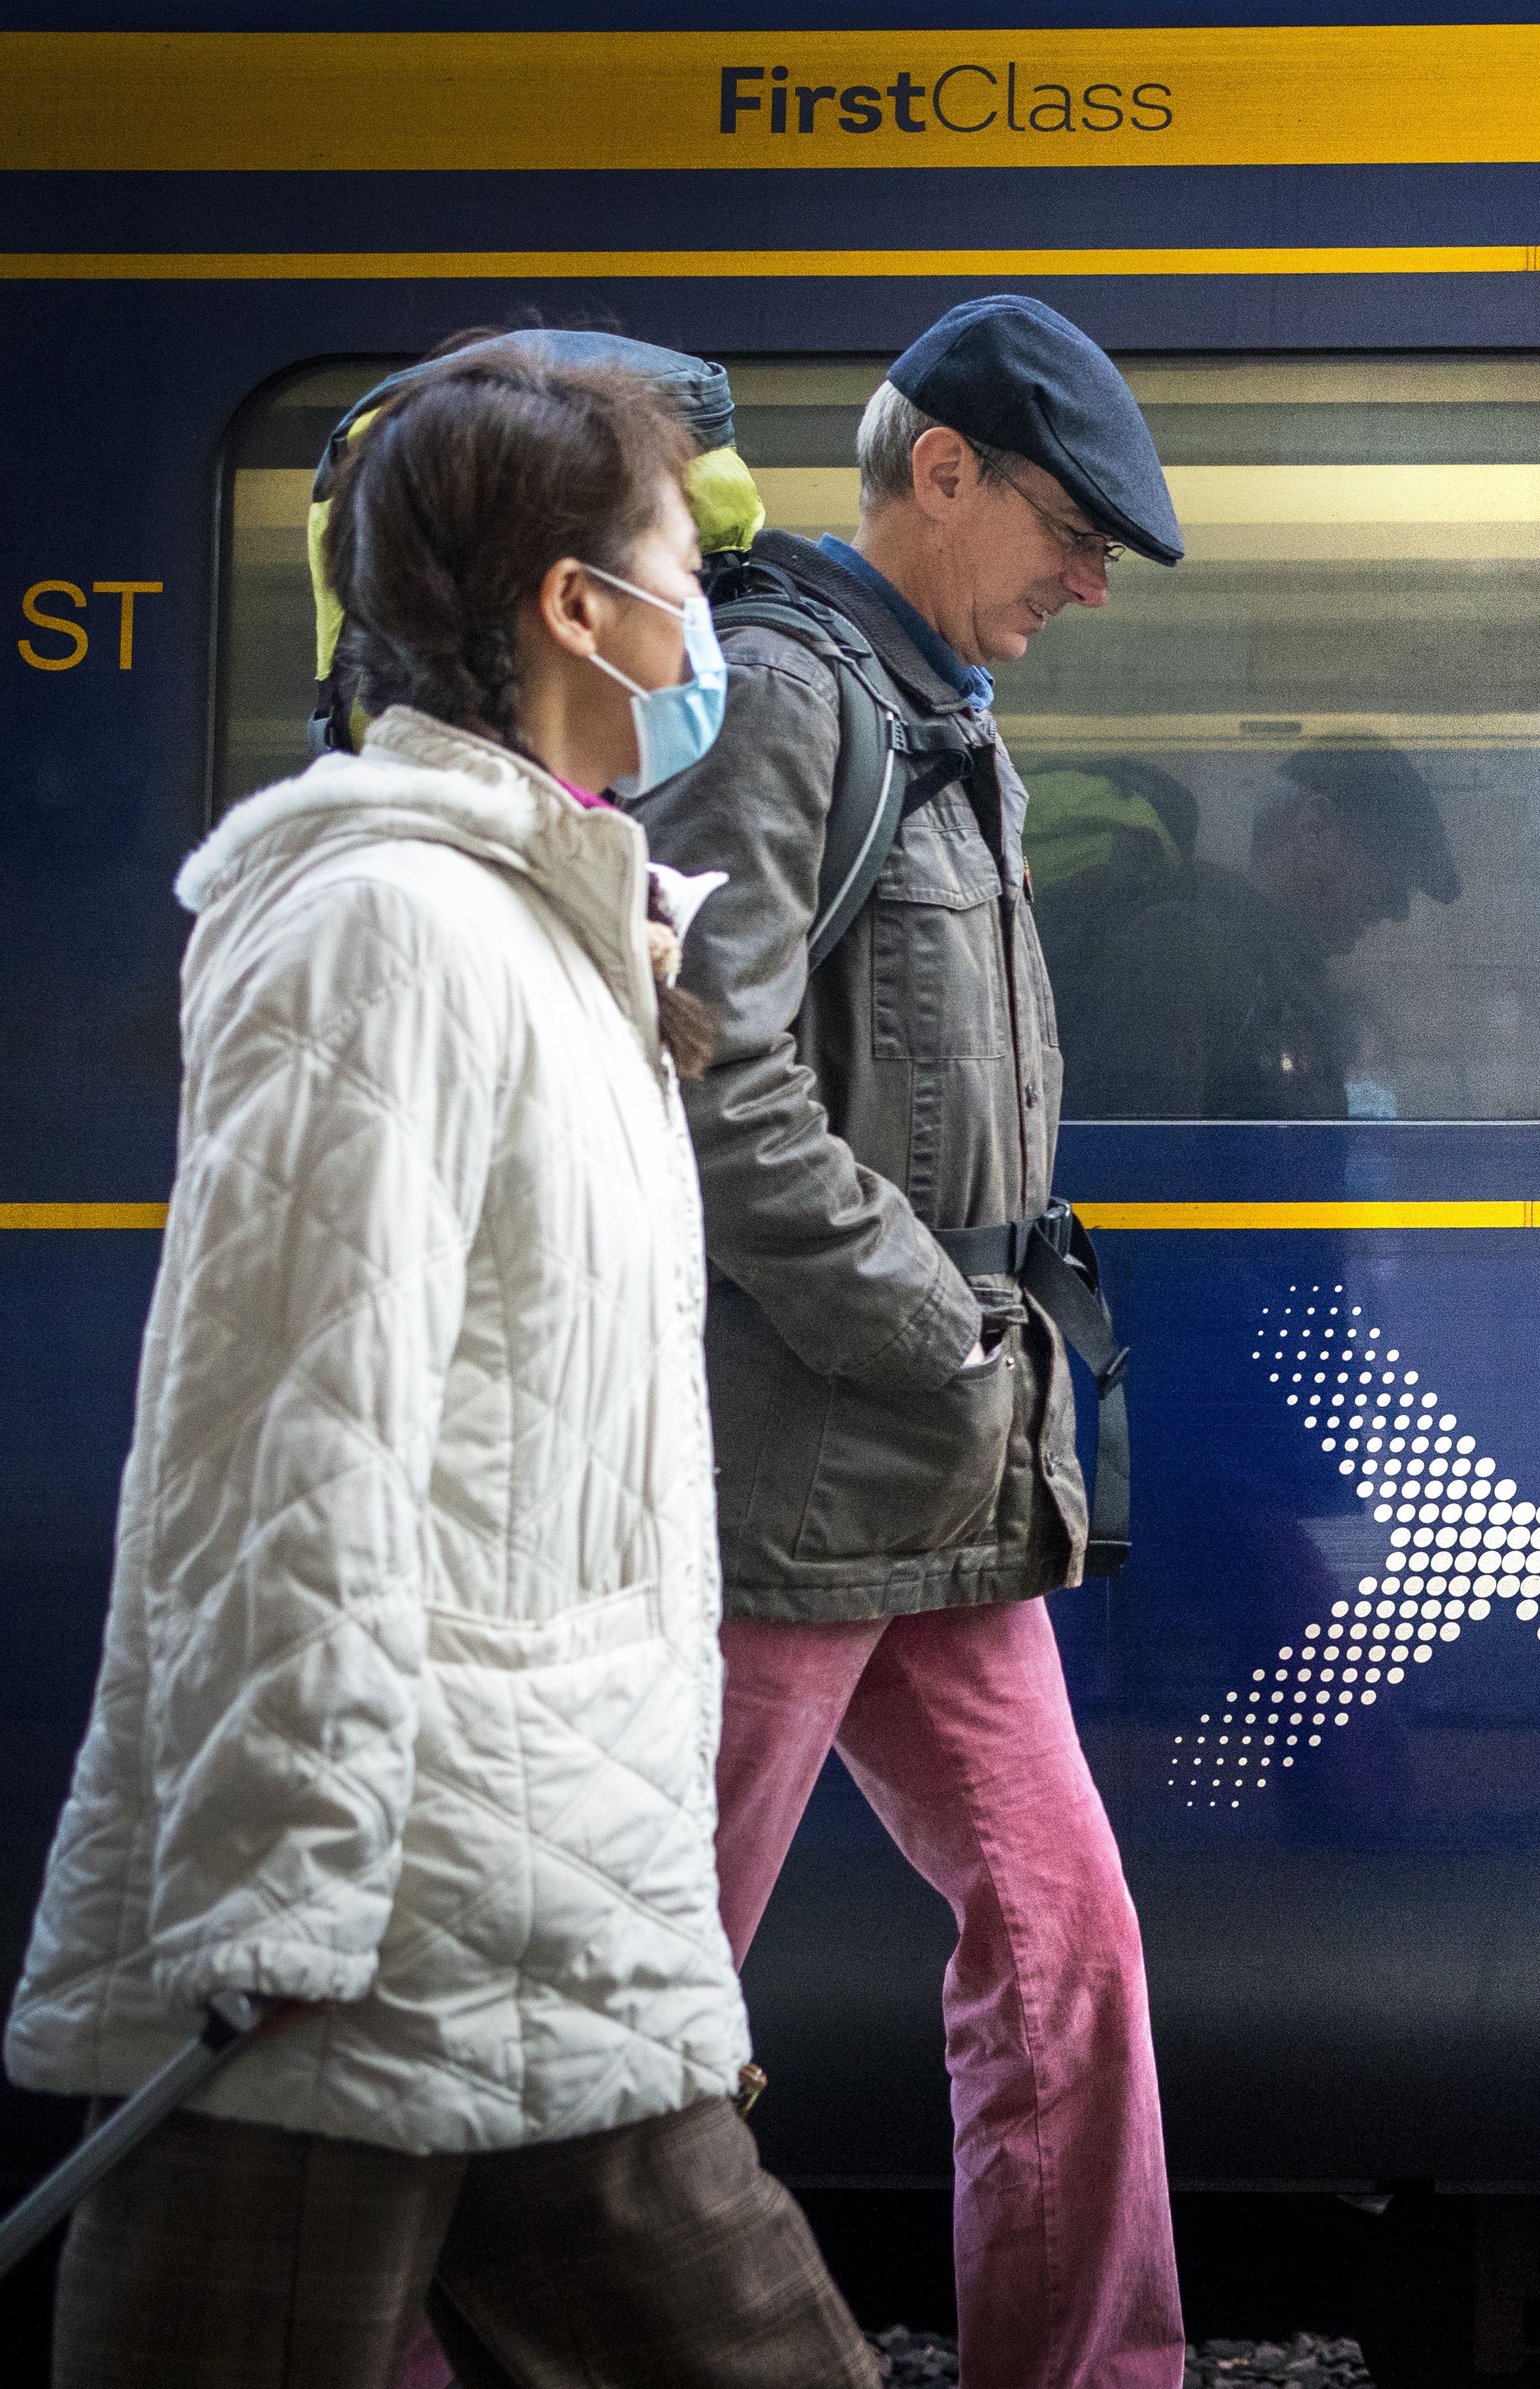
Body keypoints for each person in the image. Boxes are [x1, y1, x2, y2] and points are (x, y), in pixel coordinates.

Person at [5, 340, 871, 2388]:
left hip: (533, 1891)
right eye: (686, 564)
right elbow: (279, 1440)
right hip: (372, 1926)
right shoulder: (390, 928)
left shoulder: (554, 931)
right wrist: (270, 1914)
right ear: (578, 605)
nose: (717, 625)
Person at [628, 295, 1188, 2389]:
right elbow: (711, 1078)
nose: (1090, 577)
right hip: (793, 1470)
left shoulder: (937, 709)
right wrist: (931, 1326)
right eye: (1065, 523)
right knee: (633, 1994)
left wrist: (970, 1365)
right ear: (937, 470)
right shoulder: (791, 696)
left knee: (1069, 1951)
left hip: (938, 1476)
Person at [1059, 733, 1458, 1119]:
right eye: (1390, 867)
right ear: (1314, 828)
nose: (1398, 910)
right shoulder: (1184, 952)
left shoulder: (1280, 979)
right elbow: (1144, 1171)